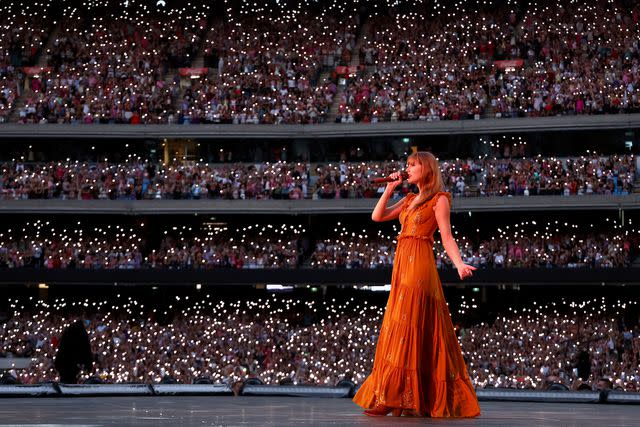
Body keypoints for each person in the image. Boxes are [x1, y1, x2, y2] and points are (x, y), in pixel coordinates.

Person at [352, 151, 481, 417]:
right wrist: (389, 189)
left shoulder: (439, 199)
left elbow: (446, 236)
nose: (407, 169)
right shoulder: (409, 199)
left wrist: (458, 263)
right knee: (401, 326)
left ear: (428, 168)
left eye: (413, 165)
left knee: (407, 325)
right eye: (407, 165)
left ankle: (397, 396)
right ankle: (396, 394)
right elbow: (377, 216)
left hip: (420, 263)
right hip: (402, 263)